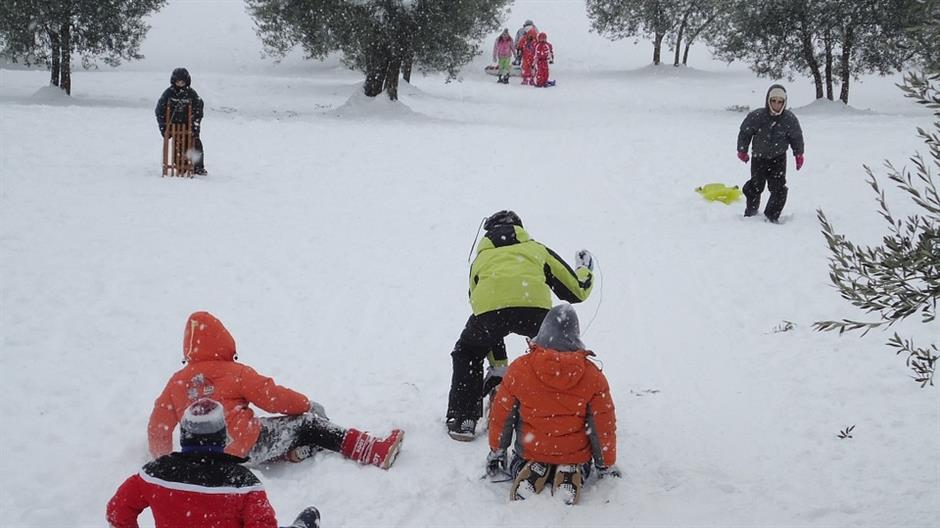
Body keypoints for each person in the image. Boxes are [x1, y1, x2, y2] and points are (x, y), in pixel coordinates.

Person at [148, 311, 404, 470]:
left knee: (267, 428)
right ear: (224, 341)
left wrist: (163, 460)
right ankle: (373, 451)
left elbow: (158, 427)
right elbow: (274, 398)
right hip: (246, 448)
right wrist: (305, 404)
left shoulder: (177, 382)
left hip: (206, 458)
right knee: (309, 425)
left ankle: (293, 453)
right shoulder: (235, 372)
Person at [446, 210, 595, 441]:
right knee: (554, 355)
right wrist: (585, 268)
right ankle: (565, 413)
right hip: (534, 309)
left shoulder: (480, 260)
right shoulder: (536, 249)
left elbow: (479, 304)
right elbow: (577, 291)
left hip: (490, 313)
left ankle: (463, 418)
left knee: (469, 351)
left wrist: (498, 365)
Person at [108, 399, 322, 528]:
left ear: (184, 435)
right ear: (221, 437)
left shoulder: (153, 475)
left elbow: (117, 511)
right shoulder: (243, 484)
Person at [485, 304, 620, 505]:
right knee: (579, 463)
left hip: (530, 450)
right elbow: (602, 427)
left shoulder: (521, 369)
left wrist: (497, 450)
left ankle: (531, 468)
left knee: (521, 461)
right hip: (575, 454)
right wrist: (605, 464)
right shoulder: (592, 376)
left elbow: (502, 416)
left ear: (543, 330)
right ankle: (569, 471)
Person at [736, 83, 805, 222]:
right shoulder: (757, 116)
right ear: (768, 100)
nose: (776, 105)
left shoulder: (789, 119)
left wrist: (798, 154)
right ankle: (751, 212)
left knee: (778, 188)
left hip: (778, 158)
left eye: (780, 102)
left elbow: (796, 137)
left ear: (784, 103)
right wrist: (742, 150)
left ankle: (771, 216)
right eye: (773, 101)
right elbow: (745, 132)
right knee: (756, 186)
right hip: (759, 157)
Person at [155, 67, 208, 175]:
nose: (180, 83)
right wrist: (163, 126)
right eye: (178, 81)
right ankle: (181, 165)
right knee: (178, 145)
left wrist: (195, 125)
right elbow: (159, 110)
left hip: (188, 124)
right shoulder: (168, 93)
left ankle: (198, 167)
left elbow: (198, 108)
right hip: (174, 125)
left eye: (182, 82)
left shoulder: (191, 93)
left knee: (195, 143)